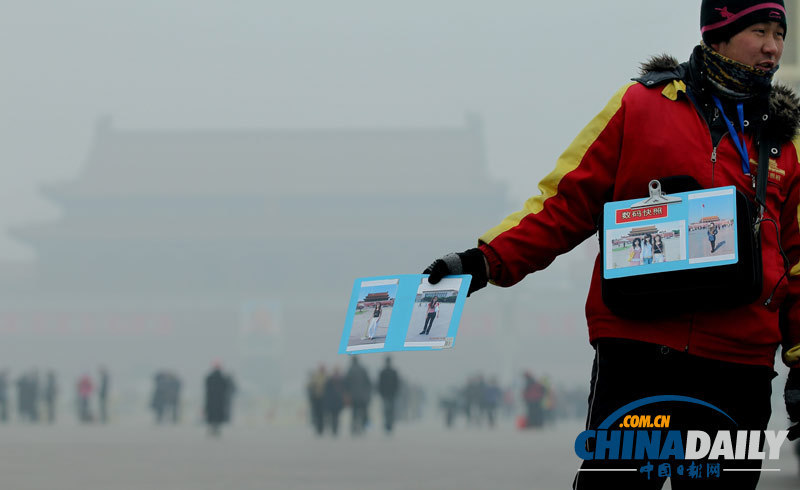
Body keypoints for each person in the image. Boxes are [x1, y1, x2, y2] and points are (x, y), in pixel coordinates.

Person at [424, 2, 800, 488]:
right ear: (718, 34)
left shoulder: (785, 141)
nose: (772, 48)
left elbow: (797, 264)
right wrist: (484, 260)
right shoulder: (639, 106)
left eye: (779, 34)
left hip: (736, 367)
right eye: (758, 31)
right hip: (640, 353)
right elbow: (564, 202)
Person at [345, 356, 372, 436]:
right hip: (363, 396)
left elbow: (346, 384)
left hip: (353, 397)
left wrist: (348, 394)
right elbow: (369, 383)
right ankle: (365, 428)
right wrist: (367, 394)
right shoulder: (363, 369)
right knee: (364, 413)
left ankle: (354, 428)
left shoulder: (350, 370)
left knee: (354, 413)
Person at [204, 362, 233, 437]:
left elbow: (207, 389)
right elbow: (228, 388)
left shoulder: (209, 377)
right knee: (218, 416)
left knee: (212, 415)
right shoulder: (223, 378)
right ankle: (216, 429)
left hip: (211, 400)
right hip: (220, 401)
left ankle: (213, 428)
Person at [377, 356, 400, 433]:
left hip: (386, 394)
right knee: (390, 410)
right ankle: (389, 425)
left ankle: (388, 424)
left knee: (387, 410)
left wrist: (380, 393)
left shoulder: (383, 372)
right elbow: (397, 384)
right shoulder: (393, 372)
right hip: (391, 394)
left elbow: (379, 384)